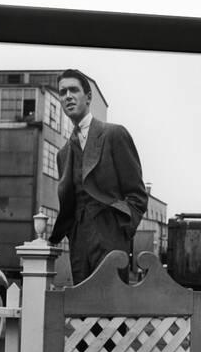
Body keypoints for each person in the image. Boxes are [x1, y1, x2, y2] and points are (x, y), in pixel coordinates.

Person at [49, 69, 148, 285]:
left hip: (110, 238)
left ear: (88, 97)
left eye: (73, 90)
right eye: (62, 92)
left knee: (111, 310)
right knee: (82, 311)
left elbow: (138, 196)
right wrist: (73, 234)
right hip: (79, 243)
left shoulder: (114, 135)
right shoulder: (63, 154)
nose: (67, 96)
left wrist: (119, 231)